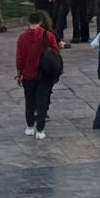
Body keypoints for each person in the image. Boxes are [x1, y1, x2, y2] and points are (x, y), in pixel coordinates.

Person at [14, 12, 62, 140]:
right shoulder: (48, 36)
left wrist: (19, 72)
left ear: (28, 22)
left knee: (29, 101)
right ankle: (40, 130)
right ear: (41, 22)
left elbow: (20, 57)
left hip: (29, 74)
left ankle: (30, 127)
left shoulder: (22, 38)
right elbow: (55, 52)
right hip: (45, 74)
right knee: (42, 101)